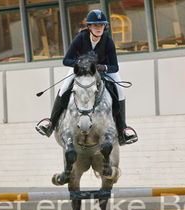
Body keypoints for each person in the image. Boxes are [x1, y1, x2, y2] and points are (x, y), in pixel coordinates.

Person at [35, 9, 138, 145]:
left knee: (120, 91)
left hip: (104, 70)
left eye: (101, 25)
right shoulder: (80, 38)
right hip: (81, 70)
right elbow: (66, 60)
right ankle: (51, 122)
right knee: (65, 86)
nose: (98, 28)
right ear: (89, 27)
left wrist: (103, 67)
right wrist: (79, 63)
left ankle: (123, 129)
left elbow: (115, 66)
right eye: (95, 25)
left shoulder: (108, 41)